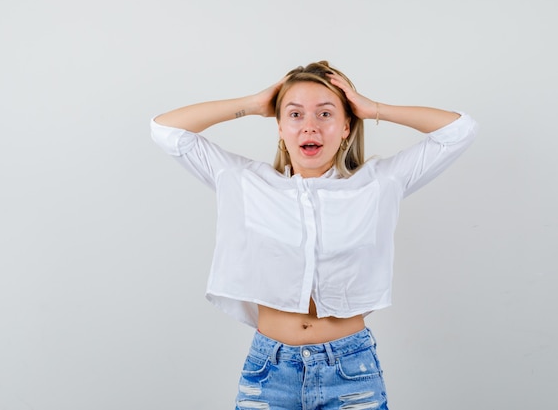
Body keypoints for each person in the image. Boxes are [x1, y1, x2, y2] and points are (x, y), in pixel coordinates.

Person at [150, 61, 478, 410]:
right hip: (269, 372)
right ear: (279, 126)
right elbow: (166, 130)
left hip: (350, 371)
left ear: (346, 127)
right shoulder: (244, 180)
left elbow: (460, 130)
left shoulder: (379, 184)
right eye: (294, 115)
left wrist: (374, 109)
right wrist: (256, 102)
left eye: (325, 114)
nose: (310, 126)